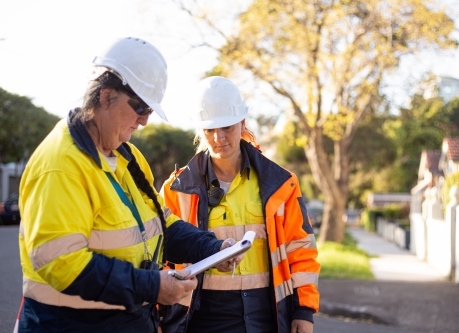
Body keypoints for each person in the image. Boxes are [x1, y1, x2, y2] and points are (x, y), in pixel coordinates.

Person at [17, 38, 240, 333]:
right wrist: (151, 286)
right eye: (141, 107)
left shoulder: (128, 156)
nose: (145, 121)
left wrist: (212, 249)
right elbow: (62, 264)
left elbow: (162, 224)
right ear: (106, 96)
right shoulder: (60, 166)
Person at [161, 76, 321, 333]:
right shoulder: (176, 189)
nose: (218, 137)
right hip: (199, 318)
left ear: (242, 123)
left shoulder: (281, 184)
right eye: (210, 130)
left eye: (226, 127)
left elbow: (301, 249)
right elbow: (161, 255)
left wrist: (304, 310)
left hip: (265, 315)